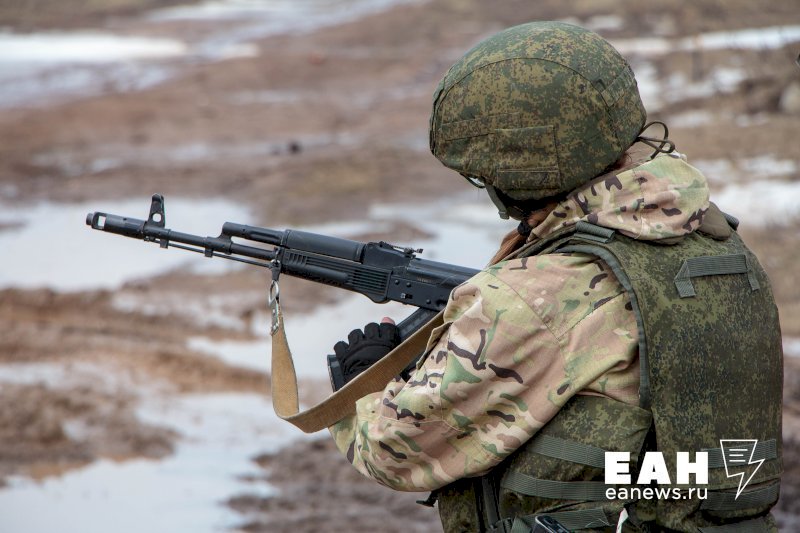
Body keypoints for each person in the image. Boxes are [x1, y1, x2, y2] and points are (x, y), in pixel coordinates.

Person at [328, 21, 783, 532]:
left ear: (515, 172)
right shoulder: (713, 243)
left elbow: (397, 451)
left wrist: (361, 391)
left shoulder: (537, 296)